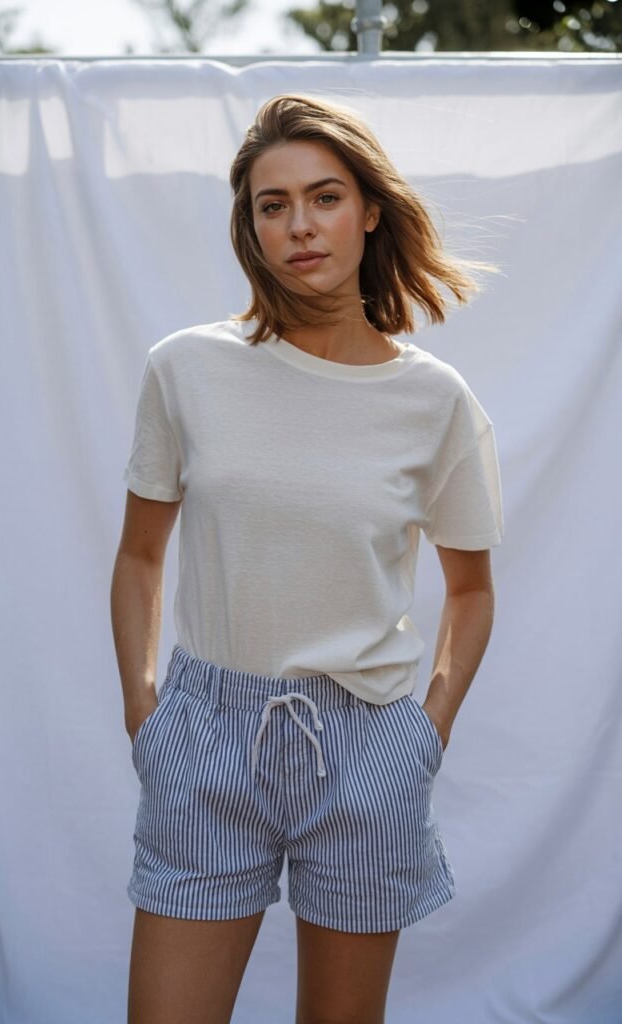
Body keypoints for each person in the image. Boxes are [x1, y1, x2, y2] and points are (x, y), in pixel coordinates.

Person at [111, 92, 505, 1024]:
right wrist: (145, 713)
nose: (300, 225)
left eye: (325, 197)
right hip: (206, 733)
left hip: (369, 742)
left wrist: (426, 734)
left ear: (369, 210)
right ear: (249, 226)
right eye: (272, 204)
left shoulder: (436, 401)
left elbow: (471, 590)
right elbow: (139, 556)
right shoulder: (185, 369)